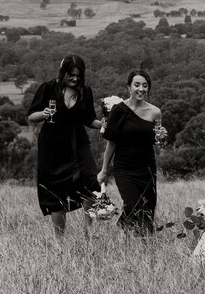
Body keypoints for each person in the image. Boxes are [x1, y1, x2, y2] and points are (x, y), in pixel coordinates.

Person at [25, 54, 100, 238]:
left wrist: (105, 124)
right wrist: (43, 113)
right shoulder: (48, 88)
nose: (75, 78)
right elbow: (31, 116)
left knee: (92, 184)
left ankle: (88, 232)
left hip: (78, 145)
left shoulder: (85, 91)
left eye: (78, 75)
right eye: (71, 74)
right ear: (63, 72)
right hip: (52, 147)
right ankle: (60, 241)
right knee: (55, 194)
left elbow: (89, 119)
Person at [99, 70, 167, 234]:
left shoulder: (155, 112)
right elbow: (112, 142)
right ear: (129, 87)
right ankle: (126, 229)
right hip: (124, 167)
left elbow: (158, 142)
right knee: (132, 204)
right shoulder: (118, 110)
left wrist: (163, 138)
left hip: (147, 167)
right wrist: (104, 170)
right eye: (136, 85)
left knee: (147, 209)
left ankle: (143, 245)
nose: (141, 89)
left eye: (145, 85)